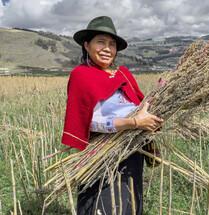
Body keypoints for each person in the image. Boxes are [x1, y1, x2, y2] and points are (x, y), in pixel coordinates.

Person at [61, 16, 163, 215]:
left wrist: (157, 99)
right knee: (102, 204)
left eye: (112, 44)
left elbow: (138, 105)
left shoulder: (122, 74)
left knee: (129, 202)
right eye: (101, 42)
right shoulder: (81, 75)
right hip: (102, 153)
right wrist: (133, 122)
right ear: (87, 45)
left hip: (132, 150)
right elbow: (89, 122)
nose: (107, 48)